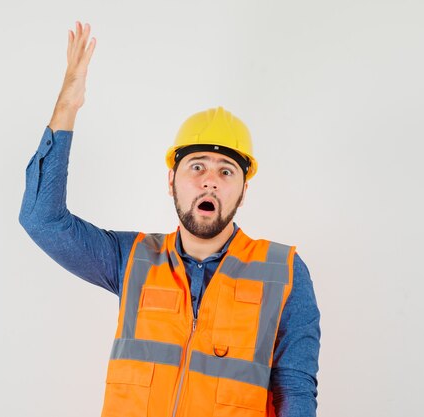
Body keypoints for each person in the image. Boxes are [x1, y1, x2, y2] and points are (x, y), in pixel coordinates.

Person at [19, 21, 321, 417]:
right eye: (196, 166)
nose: (210, 180)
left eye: (226, 171)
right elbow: (42, 220)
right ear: (171, 181)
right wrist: (66, 109)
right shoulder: (130, 259)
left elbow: (295, 391)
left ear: (243, 191)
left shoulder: (284, 271)